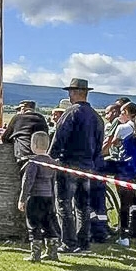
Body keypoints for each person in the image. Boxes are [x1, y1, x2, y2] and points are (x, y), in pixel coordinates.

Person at [46, 79, 105, 252]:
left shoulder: (71, 113)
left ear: (75, 92)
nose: (69, 95)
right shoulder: (96, 116)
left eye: (70, 92)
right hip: (87, 166)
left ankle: (69, 242)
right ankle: (83, 242)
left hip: (68, 164)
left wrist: (51, 158)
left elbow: (59, 138)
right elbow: (99, 143)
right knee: (83, 207)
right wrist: (92, 161)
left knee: (64, 205)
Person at [102, 102, 136, 247]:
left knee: (125, 204)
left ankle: (124, 235)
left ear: (127, 112)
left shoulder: (122, 128)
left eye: (121, 112)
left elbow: (112, 144)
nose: (120, 115)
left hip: (126, 171)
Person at [18, 131, 59, 262]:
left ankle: (35, 254)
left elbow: (28, 181)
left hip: (34, 197)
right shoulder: (52, 163)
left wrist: (22, 199)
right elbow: (53, 182)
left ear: (33, 145)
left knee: (33, 224)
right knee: (49, 224)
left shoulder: (33, 163)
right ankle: (52, 252)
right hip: (48, 197)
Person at [1, 100, 50, 165]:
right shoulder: (41, 118)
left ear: (23, 109)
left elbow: (5, 138)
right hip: (40, 157)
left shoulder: (17, 118)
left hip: (23, 155)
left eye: (18, 110)